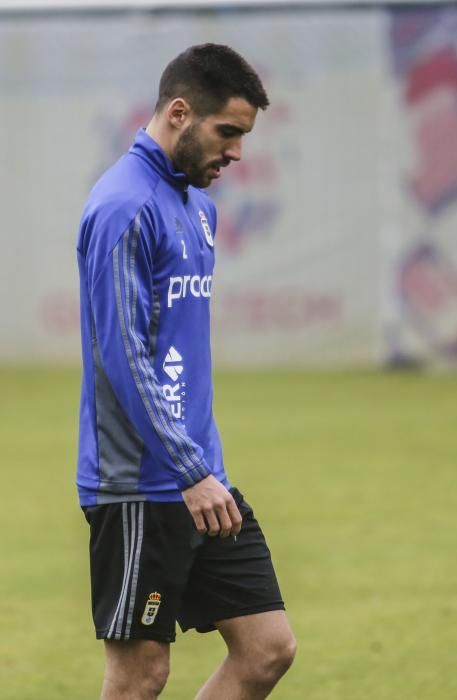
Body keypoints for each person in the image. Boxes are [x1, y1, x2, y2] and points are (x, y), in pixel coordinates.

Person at [76, 43, 296, 700]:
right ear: (179, 112)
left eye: (243, 137)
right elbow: (123, 356)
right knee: (139, 676)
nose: (235, 153)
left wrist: (202, 470)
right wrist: (188, 469)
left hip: (200, 474)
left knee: (265, 649)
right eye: (227, 132)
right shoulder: (122, 206)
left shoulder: (198, 210)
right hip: (142, 484)